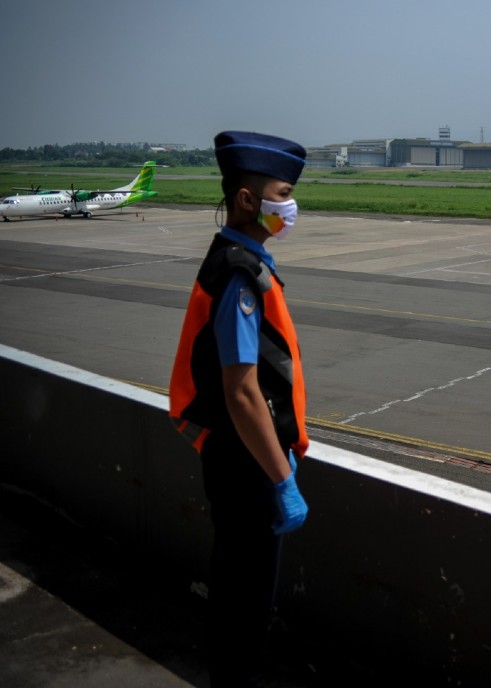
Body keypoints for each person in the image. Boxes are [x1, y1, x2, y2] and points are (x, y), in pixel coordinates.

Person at [169, 131, 310, 687]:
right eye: (283, 192)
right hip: (247, 464)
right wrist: (282, 479)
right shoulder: (238, 275)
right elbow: (243, 392)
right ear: (249, 200)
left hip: (245, 457)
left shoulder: (242, 260)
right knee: (244, 602)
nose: (291, 206)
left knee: (240, 593)